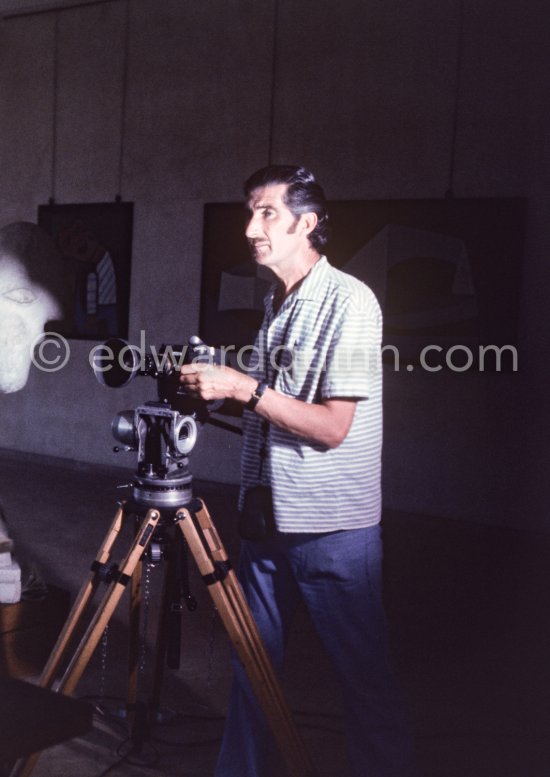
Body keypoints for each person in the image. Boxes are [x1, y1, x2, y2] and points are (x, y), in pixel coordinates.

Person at [180, 165, 414, 777]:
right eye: (250, 212)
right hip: (264, 517)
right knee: (251, 662)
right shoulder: (275, 300)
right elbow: (277, 404)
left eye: (267, 213)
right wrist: (221, 389)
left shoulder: (351, 301)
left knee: (363, 677)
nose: (251, 226)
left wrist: (244, 386)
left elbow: (333, 428)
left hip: (331, 529)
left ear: (307, 224)